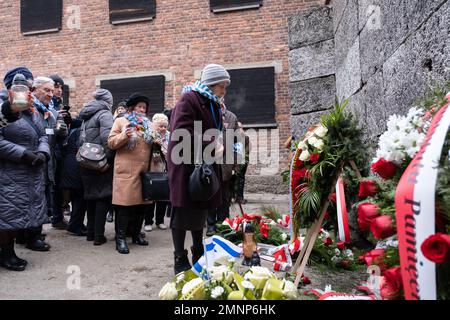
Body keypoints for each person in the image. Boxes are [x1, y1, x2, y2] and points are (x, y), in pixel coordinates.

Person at [167, 63, 229, 274]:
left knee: (199, 210)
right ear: (213, 83)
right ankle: (179, 257)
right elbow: (180, 133)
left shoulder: (212, 102)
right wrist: (212, 143)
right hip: (186, 165)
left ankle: (198, 251)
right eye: (223, 85)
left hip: (203, 164)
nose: (225, 90)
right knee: (182, 211)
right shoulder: (189, 99)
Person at [0, 67, 50, 270]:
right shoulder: (5, 107)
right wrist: (23, 154)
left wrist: (42, 152)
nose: (25, 89)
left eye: (28, 85)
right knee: (7, 214)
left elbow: (43, 135)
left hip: (31, 169)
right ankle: (6, 253)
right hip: (10, 170)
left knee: (20, 212)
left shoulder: (32, 109)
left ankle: (20, 244)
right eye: (20, 85)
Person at [108, 93, 153, 254]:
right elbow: (111, 142)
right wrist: (124, 135)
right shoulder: (121, 121)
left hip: (144, 170)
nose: (142, 109)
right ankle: (120, 239)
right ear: (132, 107)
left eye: (144, 107)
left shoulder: (149, 124)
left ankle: (136, 235)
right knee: (124, 206)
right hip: (126, 169)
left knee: (141, 206)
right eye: (139, 106)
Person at [78, 89, 115, 245]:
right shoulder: (104, 114)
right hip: (100, 162)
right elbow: (108, 139)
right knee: (103, 197)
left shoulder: (86, 115)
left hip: (85, 161)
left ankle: (91, 233)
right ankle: (99, 236)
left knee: (91, 197)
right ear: (108, 101)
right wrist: (108, 160)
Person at [206, 101, 239, 236]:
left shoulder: (231, 117)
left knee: (225, 196)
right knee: (211, 194)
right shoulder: (206, 114)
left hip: (226, 162)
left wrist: (237, 164)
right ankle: (211, 224)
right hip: (209, 160)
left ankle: (224, 223)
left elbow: (238, 142)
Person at [144, 113, 170, 232]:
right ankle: (148, 221)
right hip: (153, 168)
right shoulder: (152, 135)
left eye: (165, 126)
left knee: (163, 196)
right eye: (161, 126)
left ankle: (160, 221)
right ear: (155, 126)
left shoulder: (169, 136)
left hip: (166, 168)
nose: (163, 129)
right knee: (151, 196)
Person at [106, 101, 128, 224]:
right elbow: (110, 142)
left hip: (123, 160)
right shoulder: (113, 121)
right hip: (113, 159)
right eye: (119, 108)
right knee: (113, 189)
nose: (121, 110)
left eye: (123, 108)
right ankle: (111, 212)